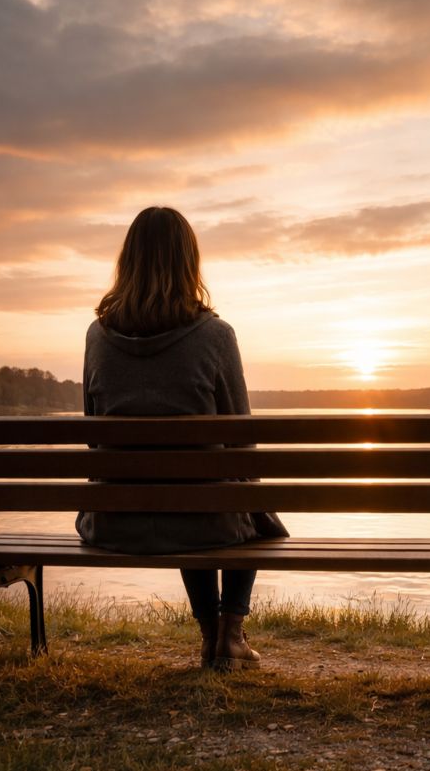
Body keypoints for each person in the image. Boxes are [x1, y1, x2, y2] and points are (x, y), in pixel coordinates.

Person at [75, 206, 288, 671]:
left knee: (195, 498)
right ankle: (229, 636)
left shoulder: (96, 337)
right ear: (189, 262)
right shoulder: (216, 336)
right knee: (235, 501)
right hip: (203, 521)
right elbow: (242, 442)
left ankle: (210, 633)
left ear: (127, 261)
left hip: (114, 523)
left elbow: (93, 437)